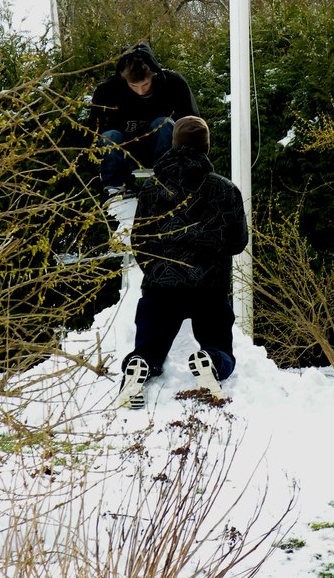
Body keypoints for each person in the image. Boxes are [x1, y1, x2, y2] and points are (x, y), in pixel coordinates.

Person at [116, 115, 249, 409]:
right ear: (206, 147)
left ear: (174, 145)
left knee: (149, 344)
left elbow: (139, 238)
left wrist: (155, 271)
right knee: (219, 343)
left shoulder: (152, 188)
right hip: (209, 288)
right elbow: (239, 242)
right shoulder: (225, 189)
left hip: (161, 288)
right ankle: (211, 360)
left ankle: (140, 364)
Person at [89, 42, 199, 196]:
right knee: (110, 136)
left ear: (153, 75)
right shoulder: (107, 91)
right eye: (134, 85)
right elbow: (93, 130)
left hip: (163, 151)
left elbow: (192, 125)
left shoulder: (174, 84)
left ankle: (167, 180)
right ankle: (116, 188)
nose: (141, 91)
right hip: (124, 154)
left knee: (164, 123)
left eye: (145, 84)